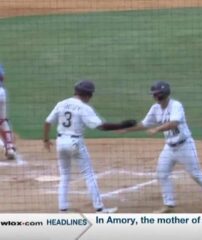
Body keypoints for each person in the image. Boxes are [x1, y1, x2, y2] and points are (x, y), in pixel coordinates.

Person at [123, 80, 202, 213]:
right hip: (169, 148)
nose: (153, 97)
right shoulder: (155, 108)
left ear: (162, 95)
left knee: (196, 174)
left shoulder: (176, 106)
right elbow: (144, 124)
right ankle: (169, 205)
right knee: (162, 173)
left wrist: (156, 130)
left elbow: (174, 123)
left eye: (155, 94)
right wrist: (126, 129)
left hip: (185, 146)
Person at [43, 80, 136, 213]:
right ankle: (99, 208)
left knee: (64, 176)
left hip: (60, 142)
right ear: (88, 94)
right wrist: (122, 125)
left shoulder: (61, 103)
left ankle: (62, 210)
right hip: (75, 143)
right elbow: (101, 127)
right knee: (89, 175)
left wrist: (46, 140)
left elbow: (47, 122)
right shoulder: (84, 108)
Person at [0, 64, 17, 160]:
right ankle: (10, 148)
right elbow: (2, 77)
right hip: (1, 93)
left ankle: (1, 146)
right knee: (3, 120)